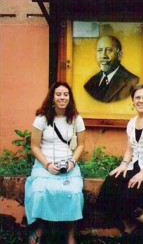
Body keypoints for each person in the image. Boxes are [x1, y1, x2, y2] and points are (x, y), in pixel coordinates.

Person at [96, 83, 143, 243]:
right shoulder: (131, 123)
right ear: (132, 101)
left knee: (128, 196)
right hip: (137, 167)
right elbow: (130, 150)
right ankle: (129, 228)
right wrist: (124, 164)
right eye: (137, 97)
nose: (141, 100)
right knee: (110, 184)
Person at [24, 81, 85, 244]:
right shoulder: (42, 118)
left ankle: (70, 236)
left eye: (66, 94)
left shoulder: (76, 119)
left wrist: (72, 162)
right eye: (58, 94)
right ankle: (39, 230)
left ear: (70, 97)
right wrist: (47, 165)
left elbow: (81, 145)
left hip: (68, 164)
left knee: (74, 194)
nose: (62, 97)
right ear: (52, 97)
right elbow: (34, 146)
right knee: (40, 192)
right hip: (44, 164)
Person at [84, 35, 139, 103]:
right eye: (100, 50)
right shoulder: (90, 83)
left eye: (108, 50)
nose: (103, 56)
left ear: (119, 55)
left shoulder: (133, 83)